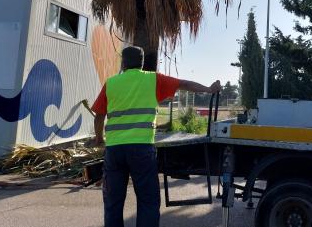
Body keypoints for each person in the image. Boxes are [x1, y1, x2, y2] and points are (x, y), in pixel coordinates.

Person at [91, 46, 221, 227]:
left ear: (123, 63)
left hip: (115, 151)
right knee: (148, 201)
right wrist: (208, 89)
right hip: (142, 149)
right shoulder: (153, 80)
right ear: (142, 63)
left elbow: (99, 116)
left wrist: (99, 139)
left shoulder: (111, 83)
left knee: (113, 202)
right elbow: (184, 84)